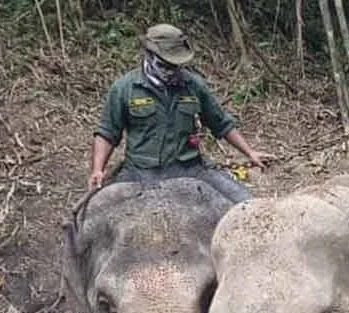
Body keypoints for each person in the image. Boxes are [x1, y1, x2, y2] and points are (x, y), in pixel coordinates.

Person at [88, 24, 274, 200]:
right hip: (141, 172)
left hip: (190, 168)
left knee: (245, 203)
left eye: (176, 66)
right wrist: (98, 169)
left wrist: (250, 153)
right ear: (149, 56)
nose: (171, 71)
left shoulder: (194, 85)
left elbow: (221, 123)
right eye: (166, 65)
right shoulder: (125, 88)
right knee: (96, 216)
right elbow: (107, 133)